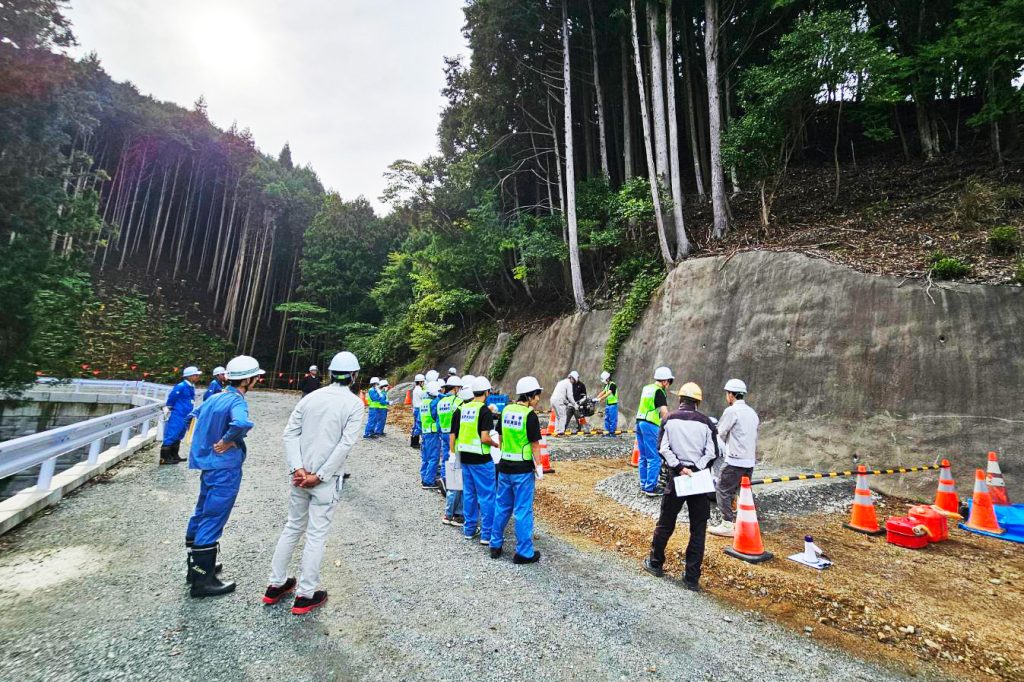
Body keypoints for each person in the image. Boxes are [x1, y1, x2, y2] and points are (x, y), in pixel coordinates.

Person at [264, 351, 364, 615]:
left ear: (329, 373)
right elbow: (345, 445)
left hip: (299, 477)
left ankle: (275, 584)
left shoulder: (311, 398)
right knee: (316, 534)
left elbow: (290, 434)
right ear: (354, 376)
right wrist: (319, 476)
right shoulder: (354, 404)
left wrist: (298, 469)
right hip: (325, 480)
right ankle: (306, 593)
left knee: (293, 526)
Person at [185, 355, 264, 598]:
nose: (258, 381)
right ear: (248, 380)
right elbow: (241, 423)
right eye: (256, 378)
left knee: (202, 511)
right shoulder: (236, 401)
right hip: (225, 468)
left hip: (209, 465)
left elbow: (193, 415)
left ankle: (197, 567)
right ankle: (203, 581)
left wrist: (207, 442)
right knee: (214, 516)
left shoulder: (215, 396)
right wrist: (226, 441)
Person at [643, 382, 719, 592]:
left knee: (666, 523)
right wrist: (695, 468)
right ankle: (691, 578)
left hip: (676, 477)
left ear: (680, 400)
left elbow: (663, 448)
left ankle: (656, 563)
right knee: (698, 529)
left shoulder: (669, 419)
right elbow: (712, 453)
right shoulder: (706, 423)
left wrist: (680, 467)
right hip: (699, 479)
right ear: (698, 402)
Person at [490, 376, 544, 564]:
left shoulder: (506, 410)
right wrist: (539, 466)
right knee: (522, 510)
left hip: (505, 467)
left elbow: (501, 436)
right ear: (529, 395)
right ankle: (524, 553)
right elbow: (535, 445)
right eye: (537, 396)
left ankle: (495, 544)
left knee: (502, 506)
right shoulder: (530, 416)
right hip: (522, 471)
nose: (538, 400)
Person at [709, 379, 760, 538]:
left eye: (727, 393)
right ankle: (744, 521)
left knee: (722, 488)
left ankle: (727, 524)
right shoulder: (752, 412)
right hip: (749, 460)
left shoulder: (731, 411)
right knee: (743, 491)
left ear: (731, 395)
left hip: (734, 460)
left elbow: (721, 433)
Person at [452, 376, 498, 546]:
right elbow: (485, 438)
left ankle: (469, 530)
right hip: (481, 458)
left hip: (465, 457)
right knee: (487, 496)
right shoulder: (484, 411)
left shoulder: (464, 408)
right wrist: (495, 444)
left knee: (470, 494)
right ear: (487, 392)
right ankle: (487, 534)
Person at [636, 367, 673, 496]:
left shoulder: (647, 388)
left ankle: (644, 483)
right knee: (654, 457)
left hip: (639, 421)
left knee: (644, 455)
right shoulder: (659, 391)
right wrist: (670, 425)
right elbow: (664, 412)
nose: (668, 385)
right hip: (651, 424)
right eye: (669, 381)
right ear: (665, 381)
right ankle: (650, 487)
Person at [442, 376, 473, 526]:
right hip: (461, 450)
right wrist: (453, 452)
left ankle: (457, 514)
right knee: (457, 484)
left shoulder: (458, 408)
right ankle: (451, 514)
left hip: (460, 449)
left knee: (459, 484)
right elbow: (453, 433)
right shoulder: (459, 409)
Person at [161, 366, 203, 465]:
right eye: (196, 375)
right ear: (189, 376)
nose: (198, 377)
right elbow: (172, 398)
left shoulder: (190, 386)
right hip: (178, 414)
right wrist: (170, 408)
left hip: (186, 415)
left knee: (179, 435)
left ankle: (174, 455)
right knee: (172, 434)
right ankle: (164, 458)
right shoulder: (181, 386)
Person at [435, 375, 461, 493]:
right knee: (454, 459)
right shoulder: (457, 401)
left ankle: (444, 481)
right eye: (459, 388)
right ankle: (452, 486)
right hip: (453, 434)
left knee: (446, 457)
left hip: (443, 433)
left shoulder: (441, 402)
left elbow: (438, 420)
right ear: (455, 388)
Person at [419, 380, 442, 489]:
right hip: (433, 433)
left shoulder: (424, 402)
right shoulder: (434, 403)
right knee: (434, 457)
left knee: (425, 457)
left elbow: (419, 419)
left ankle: (424, 477)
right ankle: (428, 482)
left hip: (425, 433)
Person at [550, 371, 579, 435]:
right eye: (574, 380)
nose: (573, 382)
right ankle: (561, 432)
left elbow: (561, 394)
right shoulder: (569, 383)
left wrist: (567, 403)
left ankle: (556, 431)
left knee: (558, 417)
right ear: (572, 378)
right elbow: (570, 396)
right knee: (563, 416)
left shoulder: (561, 382)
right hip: (559, 400)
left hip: (553, 400)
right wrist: (574, 404)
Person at [596, 370, 619, 436]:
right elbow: (603, 392)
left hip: (613, 405)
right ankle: (607, 433)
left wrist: (601, 398)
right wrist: (596, 398)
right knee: (606, 419)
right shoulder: (607, 385)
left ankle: (612, 433)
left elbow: (608, 393)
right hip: (608, 405)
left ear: (607, 378)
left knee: (612, 420)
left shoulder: (612, 385)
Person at [410, 373, 426, 449]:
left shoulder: (416, 389)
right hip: (419, 409)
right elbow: (425, 396)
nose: (424, 383)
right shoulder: (419, 390)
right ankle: (415, 442)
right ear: (420, 382)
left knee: (416, 425)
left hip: (416, 409)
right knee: (418, 426)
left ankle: (413, 442)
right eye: (423, 381)